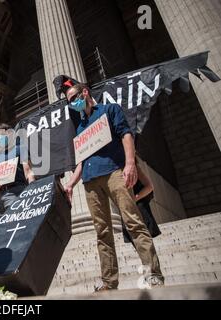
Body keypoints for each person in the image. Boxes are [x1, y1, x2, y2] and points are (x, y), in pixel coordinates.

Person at [63, 81, 164, 291]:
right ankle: (109, 281)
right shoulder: (80, 127)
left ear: (85, 92)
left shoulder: (109, 109)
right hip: (90, 181)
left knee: (133, 222)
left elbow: (126, 134)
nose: (73, 103)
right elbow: (81, 161)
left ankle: (153, 274)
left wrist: (129, 164)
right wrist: (71, 183)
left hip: (114, 172)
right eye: (69, 102)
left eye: (74, 98)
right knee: (102, 232)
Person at [0, 124, 35, 232]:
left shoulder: (21, 149)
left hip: (15, 192)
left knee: (17, 226)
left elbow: (28, 171)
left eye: (1, 134)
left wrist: (33, 190)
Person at [121, 164, 161, 246]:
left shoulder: (133, 167)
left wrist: (135, 198)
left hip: (140, 209)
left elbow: (149, 186)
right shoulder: (111, 170)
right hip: (126, 211)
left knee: (146, 242)